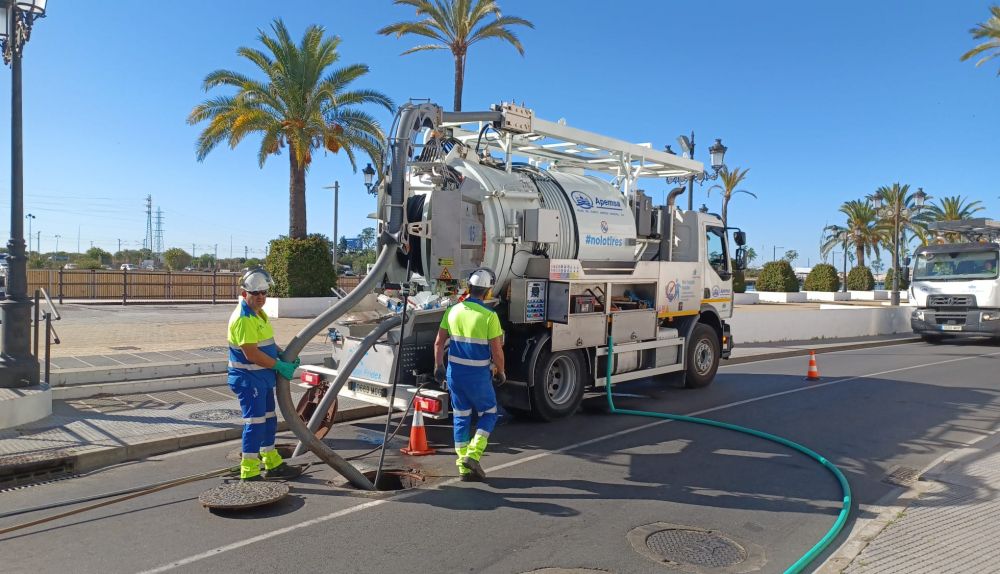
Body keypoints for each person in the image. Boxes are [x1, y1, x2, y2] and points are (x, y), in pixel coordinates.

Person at [227, 267, 302, 481]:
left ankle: (271, 462)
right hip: (249, 380)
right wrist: (279, 366)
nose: (261, 297)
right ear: (244, 294)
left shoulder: (258, 313)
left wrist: (283, 355)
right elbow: (251, 354)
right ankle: (249, 470)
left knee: (269, 420)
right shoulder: (244, 318)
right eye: (255, 293)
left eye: (264, 293)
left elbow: (265, 344)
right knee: (255, 423)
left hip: (261, 378)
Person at [433, 269, 506, 482]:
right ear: (487, 291)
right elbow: (497, 351)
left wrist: (438, 366)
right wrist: (500, 371)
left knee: (461, 417)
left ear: (469, 288)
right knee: (490, 413)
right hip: (478, 376)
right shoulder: (489, 316)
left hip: (455, 374)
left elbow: (438, 343)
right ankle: (473, 455)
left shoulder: (452, 311)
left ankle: (463, 467)